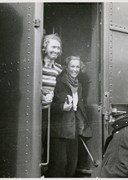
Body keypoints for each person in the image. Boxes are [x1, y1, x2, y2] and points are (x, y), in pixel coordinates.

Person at [45, 56, 92, 177]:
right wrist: (62, 107)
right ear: (67, 67)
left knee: (72, 164)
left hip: (73, 130)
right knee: (59, 165)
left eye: (77, 67)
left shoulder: (79, 85)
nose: (75, 69)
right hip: (59, 131)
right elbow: (46, 106)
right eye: (72, 66)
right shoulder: (58, 81)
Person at [41, 34, 62, 172]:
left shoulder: (58, 69)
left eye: (58, 48)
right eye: (53, 47)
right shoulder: (37, 65)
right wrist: (41, 96)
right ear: (45, 47)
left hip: (48, 111)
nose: (56, 50)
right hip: (35, 110)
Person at [100, 110, 128, 178]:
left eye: (113, 116)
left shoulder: (126, 134)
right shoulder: (126, 132)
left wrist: (103, 172)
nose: (109, 119)